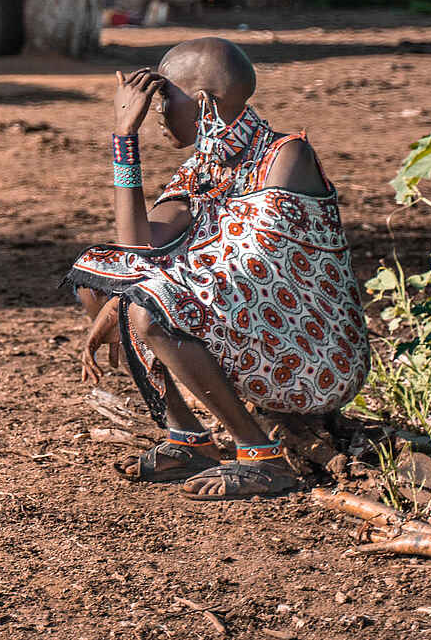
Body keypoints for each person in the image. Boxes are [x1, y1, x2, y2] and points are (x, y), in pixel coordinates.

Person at [65, 37, 370, 499]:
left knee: (150, 309)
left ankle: (262, 456)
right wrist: (124, 142)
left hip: (314, 352)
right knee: (100, 281)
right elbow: (135, 249)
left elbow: (250, 271)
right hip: (251, 331)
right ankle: (190, 440)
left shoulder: (286, 156)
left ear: (204, 101)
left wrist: (131, 302)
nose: (157, 112)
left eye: (164, 97)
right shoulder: (201, 168)